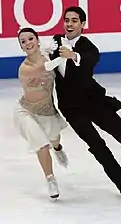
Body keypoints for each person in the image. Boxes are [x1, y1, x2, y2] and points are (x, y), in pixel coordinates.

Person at [48, 6, 121, 197]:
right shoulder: (54, 42)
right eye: (67, 20)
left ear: (82, 24)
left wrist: (73, 55)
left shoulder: (89, 48)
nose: (69, 24)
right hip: (71, 108)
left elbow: (89, 60)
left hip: (94, 101)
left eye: (74, 20)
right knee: (97, 146)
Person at [13, 27, 68, 201]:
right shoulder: (24, 69)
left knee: (54, 140)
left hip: (47, 111)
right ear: (21, 47)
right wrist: (64, 56)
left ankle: (58, 149)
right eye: (23, 41)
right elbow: (45, 68)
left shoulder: (47, 54)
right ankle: (50, 179)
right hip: (26, 112)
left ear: (37, 40)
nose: (28, 43)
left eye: (30, 39)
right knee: (42, 145)